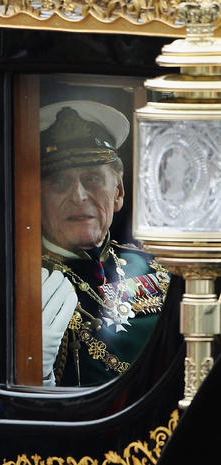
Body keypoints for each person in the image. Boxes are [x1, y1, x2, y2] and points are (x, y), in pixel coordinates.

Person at [39, 100, 170, 387]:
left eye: (92, 179)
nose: (79, 196)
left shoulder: (159, 267)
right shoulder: (23, 287)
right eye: (59, 183)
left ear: (119, 191)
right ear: (36, 199)